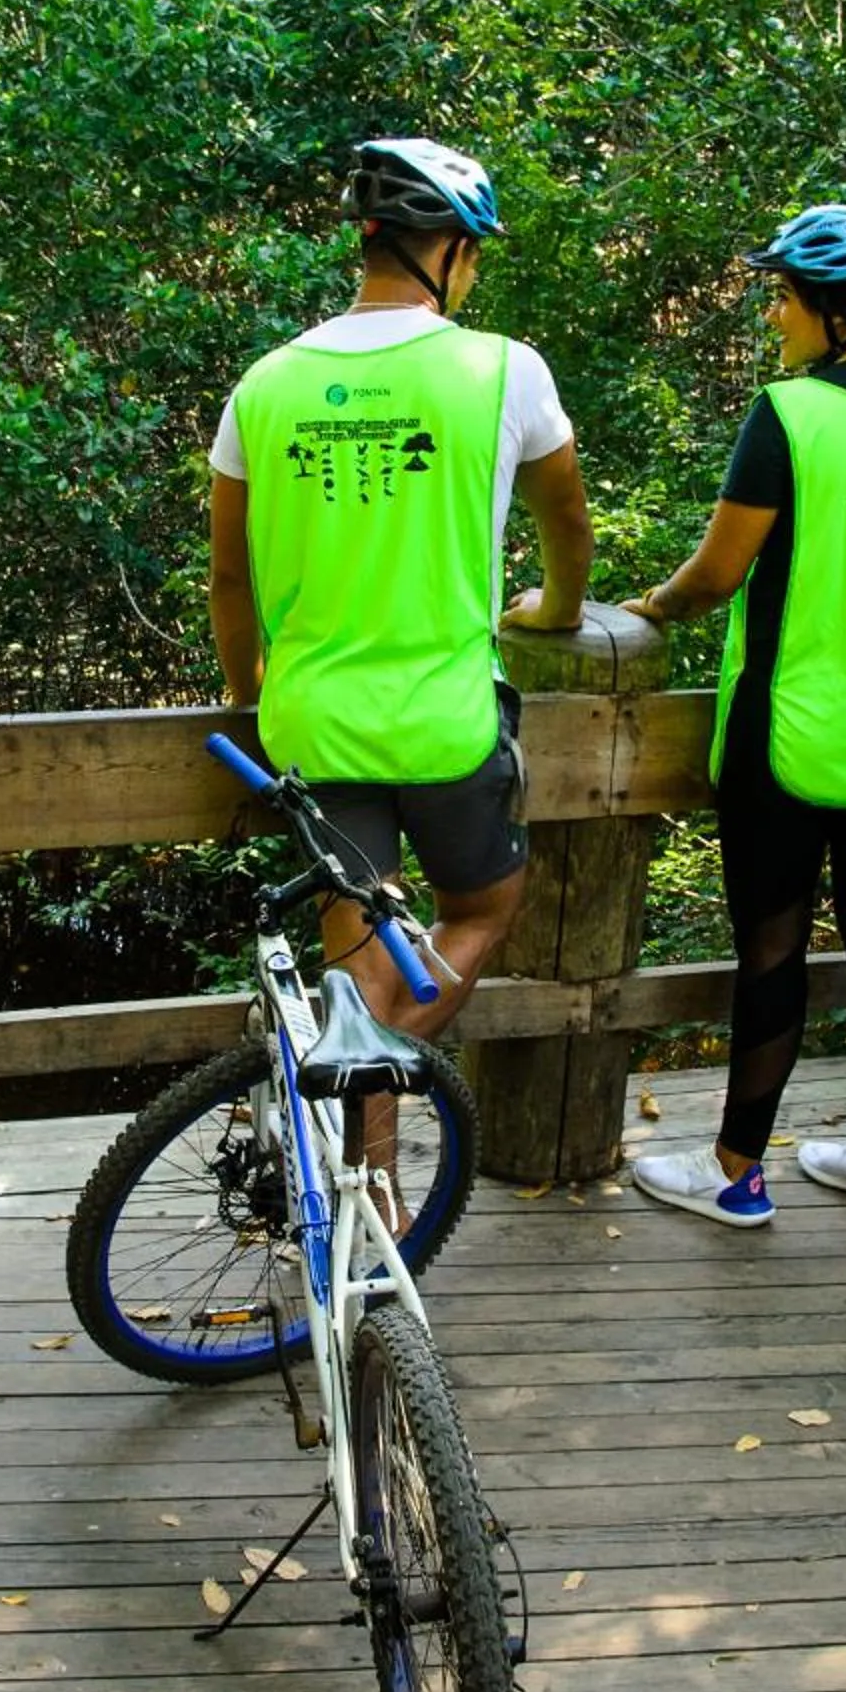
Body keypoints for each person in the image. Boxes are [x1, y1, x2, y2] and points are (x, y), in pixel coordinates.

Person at [622, 203, 846, 1227]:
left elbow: (718, 572)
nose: (774, 314)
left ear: (832, 310)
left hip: (786, 732)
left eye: (784, 297)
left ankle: (738, 1172)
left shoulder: (790, 416)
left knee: (774, 950)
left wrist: (651, 607)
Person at [208, 136, 594, 1046]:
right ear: (451, 252)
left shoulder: (265, 385)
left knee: (355, 968)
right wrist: (560, 609)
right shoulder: (504, 369)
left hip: (313, 723)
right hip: (445, 721)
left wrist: (249, 694)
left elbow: (230, 575)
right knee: (486, 904)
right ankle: (373, 1106)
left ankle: (352, 1168)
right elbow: (566, 527)